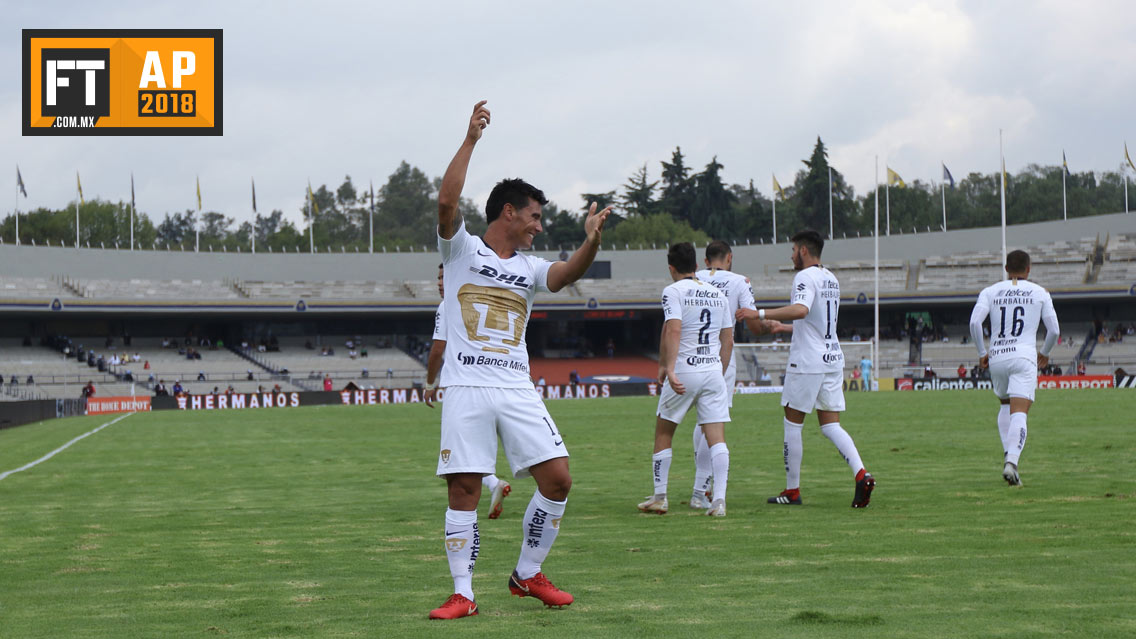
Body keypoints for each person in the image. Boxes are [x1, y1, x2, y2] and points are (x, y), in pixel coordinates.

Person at [428, 101, 611, 620]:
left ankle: (526, 574)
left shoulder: (530, 267)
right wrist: (470, 139)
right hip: (466, 388)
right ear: (508, 211)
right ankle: (463, 593)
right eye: (533, 215)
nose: (537, 225)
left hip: (515, 388)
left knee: (558, 479)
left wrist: (590, 241)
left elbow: (567, 274)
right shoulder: (460, 251)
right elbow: (446, 201)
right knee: (464, 489)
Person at [737, 229, 876, 508]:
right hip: (832, 357)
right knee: (831, 425)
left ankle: (792, 491)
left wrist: (759, 313)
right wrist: (784, 327)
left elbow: (801, 309)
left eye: (792, 250)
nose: (791, 255)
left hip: (808, 361)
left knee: (792, 422)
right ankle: (862, 473)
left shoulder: (804, 276)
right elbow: (815, 321)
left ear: (803, 250)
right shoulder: (831, 278)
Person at [688, 240, 788, 508]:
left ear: (705, 260)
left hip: (689, 355)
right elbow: (753, 323)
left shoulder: (693, 277)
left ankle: (697, 487)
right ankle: (701, 489)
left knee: (696, 421)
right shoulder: (738, 281)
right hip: (721, 354)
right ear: (729, 258)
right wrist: (770, 327)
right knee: (713, 420)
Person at [638, 242, 735, 518]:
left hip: (684, 371)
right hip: (713, 372)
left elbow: (674, 329)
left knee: (664, 432)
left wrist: (668, 368)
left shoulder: (673, 291)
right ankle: (718, 501)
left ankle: (660, 496)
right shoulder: (717, 294)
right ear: (696, 265)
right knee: (717, 439)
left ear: (671, 268)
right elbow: (727, 339)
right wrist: (719, 369)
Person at [424, 262, 511, 520]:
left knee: (460, 456)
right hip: (499, 384)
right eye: (438, 277)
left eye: (444, 277)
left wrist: (430, 383)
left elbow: (438, 348)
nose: (440, 282)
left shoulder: (449, 305)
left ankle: (477, 498)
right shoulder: (483, 299)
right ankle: (497, 483)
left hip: (464, 389)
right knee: (481, 445)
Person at [968, 249, 1060, 486]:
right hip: (1023, 357)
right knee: (1020, 411)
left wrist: (981, 352)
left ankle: (1009, 456)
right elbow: (1054, 331)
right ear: (1029, 269)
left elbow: (975, 322)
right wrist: (1045, 353)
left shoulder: (990, 291)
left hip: (997, 356)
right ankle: (1012, 463)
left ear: (1006, 269)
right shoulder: (1040, 292)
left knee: (1005, 405)